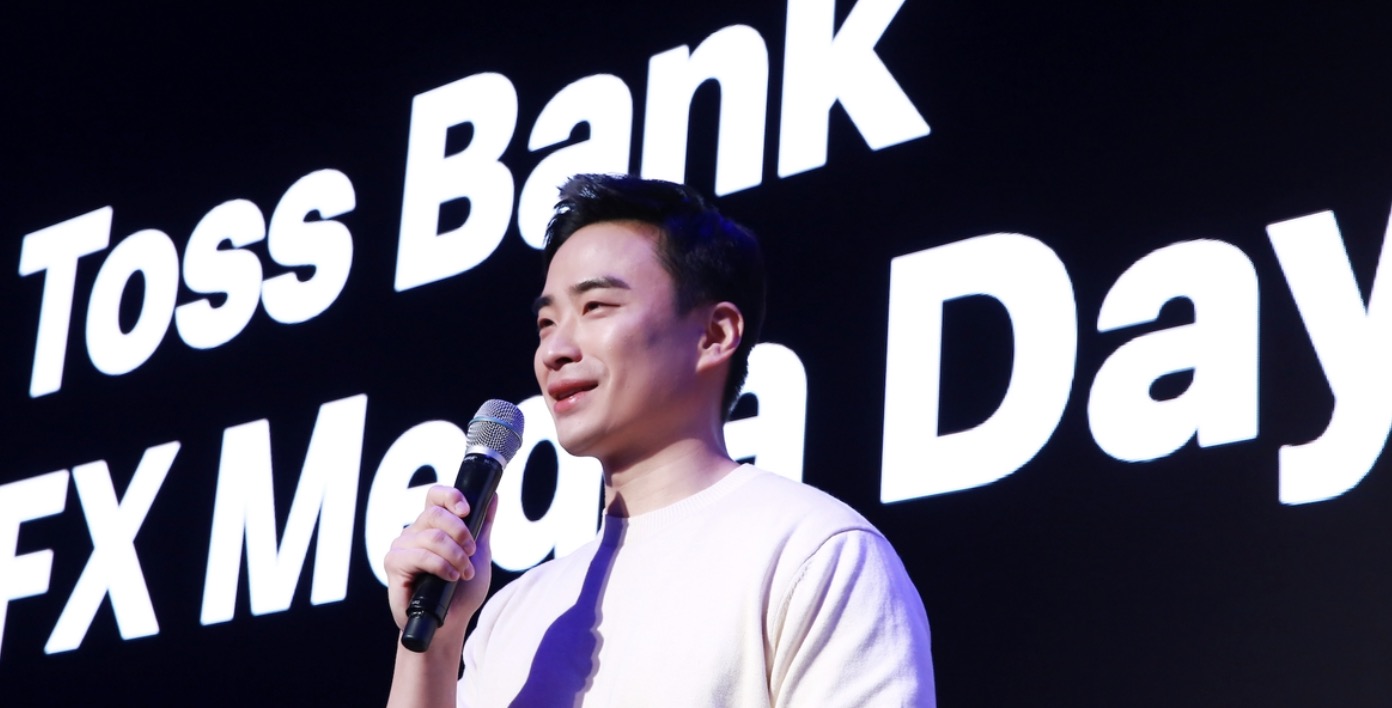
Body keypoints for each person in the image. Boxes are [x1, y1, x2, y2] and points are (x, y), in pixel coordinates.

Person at [385, 174, 935, 707]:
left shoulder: (813, 552)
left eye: (596, 307)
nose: (554, 350)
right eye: (546, 323)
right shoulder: (511, 616)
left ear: (715, 334)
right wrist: (436, 643)